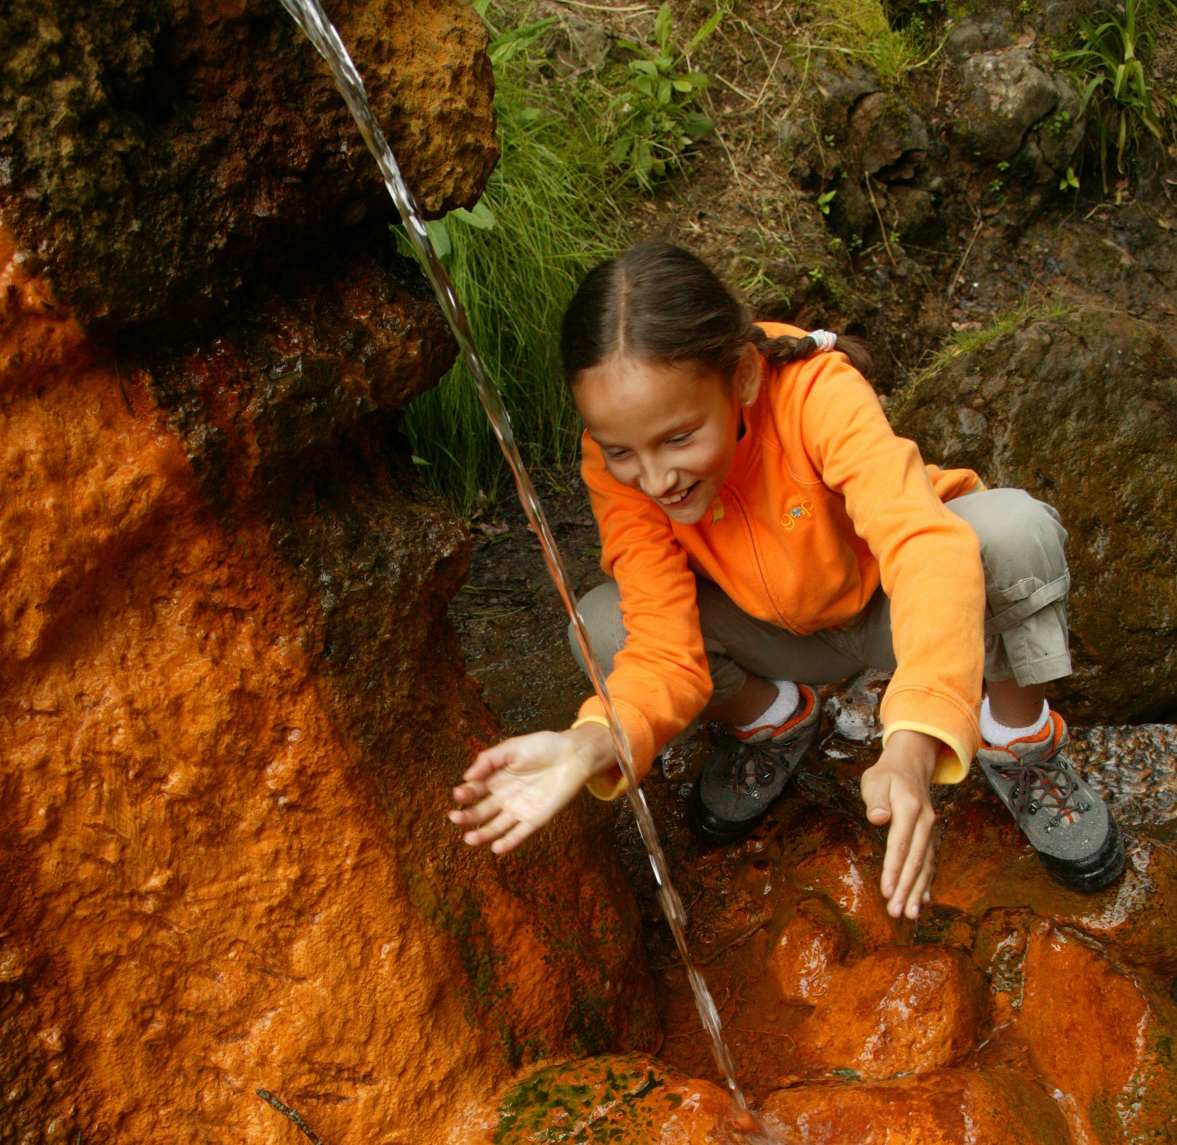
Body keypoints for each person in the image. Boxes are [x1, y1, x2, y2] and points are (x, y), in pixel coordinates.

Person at [449, 240, 1123, 915]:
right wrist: (589, 742)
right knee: (601, 626)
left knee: (1012, 532)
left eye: (679, 438)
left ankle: (1017, 742)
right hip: (770, 630)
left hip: (895, 605)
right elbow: (658, 642)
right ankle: (774, 720)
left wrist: (913, 741)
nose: (653, 479)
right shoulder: (614, 460)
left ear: (741, 377)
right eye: (623, 451)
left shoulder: (813, 391)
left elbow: (922, 547)